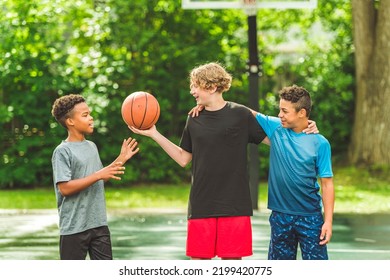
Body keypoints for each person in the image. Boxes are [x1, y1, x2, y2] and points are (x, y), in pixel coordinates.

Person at [129, 62, 317, 260]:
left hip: (235, 205)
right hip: (201, 204)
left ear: (211, 87)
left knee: (232, 266)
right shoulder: (194, 118)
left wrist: (305, 126)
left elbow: (277, 138)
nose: (191, 90)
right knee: (198, 264)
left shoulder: (240, 115)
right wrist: (154, 134)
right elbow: (183, 158)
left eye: (195, 85)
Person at [51, 94, 139, 260]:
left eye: (90, 114)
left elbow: (99, 178)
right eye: (85, 115)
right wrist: (98, 175)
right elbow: (64, 188)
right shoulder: (63, 151)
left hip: (98, 224)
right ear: (70, 121)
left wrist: (121, 158)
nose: (91, 118)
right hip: (74, 228)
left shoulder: (91, 146)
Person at [254, 85, 334, 260]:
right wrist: (208, 104)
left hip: (311, 218)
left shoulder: (320, 143)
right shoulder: (276, 128)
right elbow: (243, 112)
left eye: (284, 111)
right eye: (279, 110)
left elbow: (327, 184)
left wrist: (327, 222)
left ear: (302, 113)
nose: (280, 115)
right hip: (280, 216)